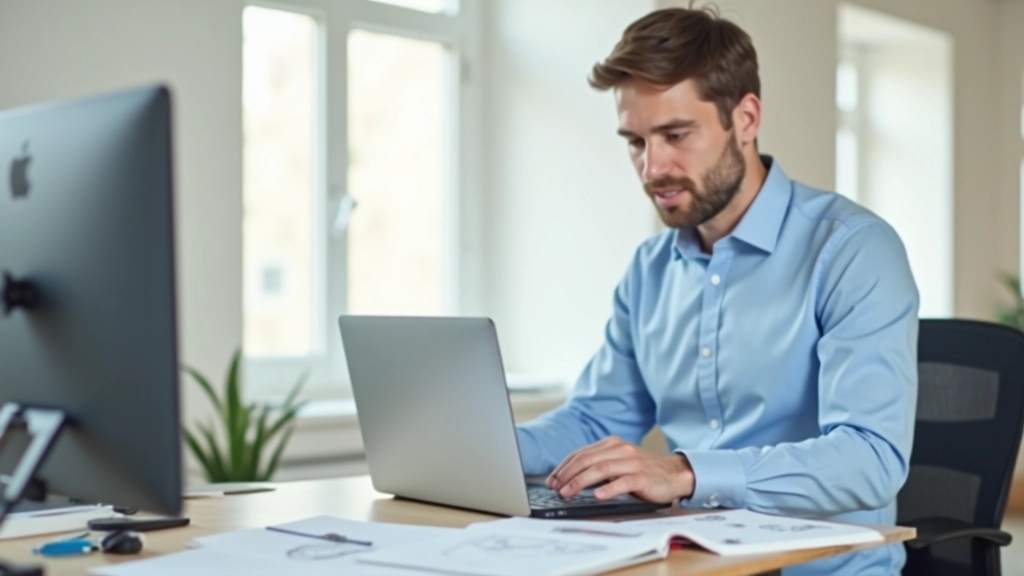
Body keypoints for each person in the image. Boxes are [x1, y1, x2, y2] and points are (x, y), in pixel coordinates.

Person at [515, 5, 919, 575]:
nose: (653, 167)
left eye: (676, 135)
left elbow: (870, 458)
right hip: (689, 561)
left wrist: (682, 472)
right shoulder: (651, 268)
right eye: (635, 141)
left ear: (746, 118)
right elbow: (594, 420)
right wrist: (490, 452)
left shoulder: (852, 250)